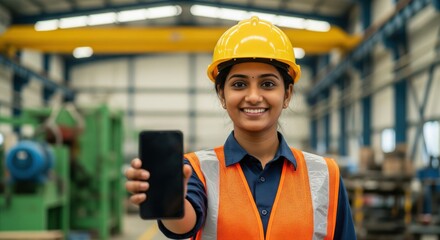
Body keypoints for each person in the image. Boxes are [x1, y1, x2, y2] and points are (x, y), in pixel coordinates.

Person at [125, 16, 356, 239]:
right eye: (239, 84)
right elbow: (183, 225)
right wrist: (169, 201)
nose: (254, 97)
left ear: (287, 94)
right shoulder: (197, 170)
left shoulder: (325, 173)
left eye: (267, 84)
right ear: (222, 95)